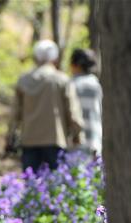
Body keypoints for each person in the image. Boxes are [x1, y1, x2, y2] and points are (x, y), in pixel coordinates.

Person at [8, 39, 84, 171]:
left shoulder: (24, 80)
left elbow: (15, 113)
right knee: (57, 187)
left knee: (32, 187)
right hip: (56, 140)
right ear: (55, 58)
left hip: (29, 141)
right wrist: (77, 134)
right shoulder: (62, 80)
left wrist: (10, 137)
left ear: (36, 57)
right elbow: (72, 111)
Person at [69, 48, 102, 156]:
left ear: (76, 65)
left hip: (76, 141)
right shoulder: (97, 84)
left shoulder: (71, 85)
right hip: (96, 137)